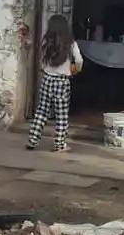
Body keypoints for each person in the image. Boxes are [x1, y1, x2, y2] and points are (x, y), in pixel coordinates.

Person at [27, 14, 83, 152]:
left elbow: (41, 60)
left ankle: (32, 140)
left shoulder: (46, 42)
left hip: (47, 79)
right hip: (62, 82)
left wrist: (44, 69)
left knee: (41, 111)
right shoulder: (70, 44)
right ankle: (59, 144)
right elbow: (80, 60)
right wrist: (75, 70)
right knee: (61, 114)